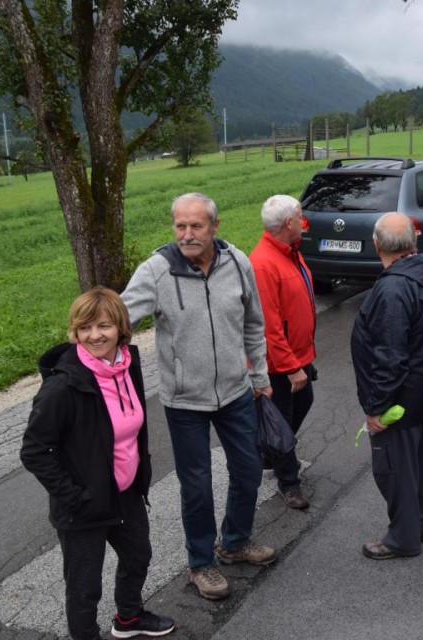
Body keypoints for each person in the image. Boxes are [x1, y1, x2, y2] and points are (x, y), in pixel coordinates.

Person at [122, 192, 276, 601]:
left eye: (196, 226)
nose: (188, 234)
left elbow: (253, 323)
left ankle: (236, 542)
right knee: (197, 485)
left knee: (248, 471)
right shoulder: (157, 270)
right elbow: (119, 317)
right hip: (183, 399)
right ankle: (201, 563)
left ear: (214, 226)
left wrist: (259, 374)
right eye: (180, 226)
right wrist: (87, 344)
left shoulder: (237, 263)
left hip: (235, 391)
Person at [21, 287, 175, 640]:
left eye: (103, 326)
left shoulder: (125, 365)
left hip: (124, 491)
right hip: (84, 502)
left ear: (120, 327)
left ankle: (129, 618)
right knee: (84, 586)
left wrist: (138, 476)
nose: (94, 336)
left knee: (138, 555)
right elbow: (33, 450)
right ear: (74, 332)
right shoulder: (63, 387)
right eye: (84, 328)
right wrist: (76, 497)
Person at [350, 212, 423, 559]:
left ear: (376, 245)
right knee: (421, 460)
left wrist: (376, 408)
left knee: (394, 467)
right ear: (414, 242)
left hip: (402, 397)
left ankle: (402, 539)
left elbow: (390, 357)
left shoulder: (393, 288)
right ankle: (420, 523)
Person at [249, 194, 317, 510]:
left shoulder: (289, 252)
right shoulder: (263, 263)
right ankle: (289, 482)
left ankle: (269, 454)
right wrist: (291, 366)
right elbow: (268, 325)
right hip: (278, 363)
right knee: (281, 421)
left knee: (304, 401)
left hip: (298, 353)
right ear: (289, 223)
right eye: (300, 219)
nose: (304, 224)